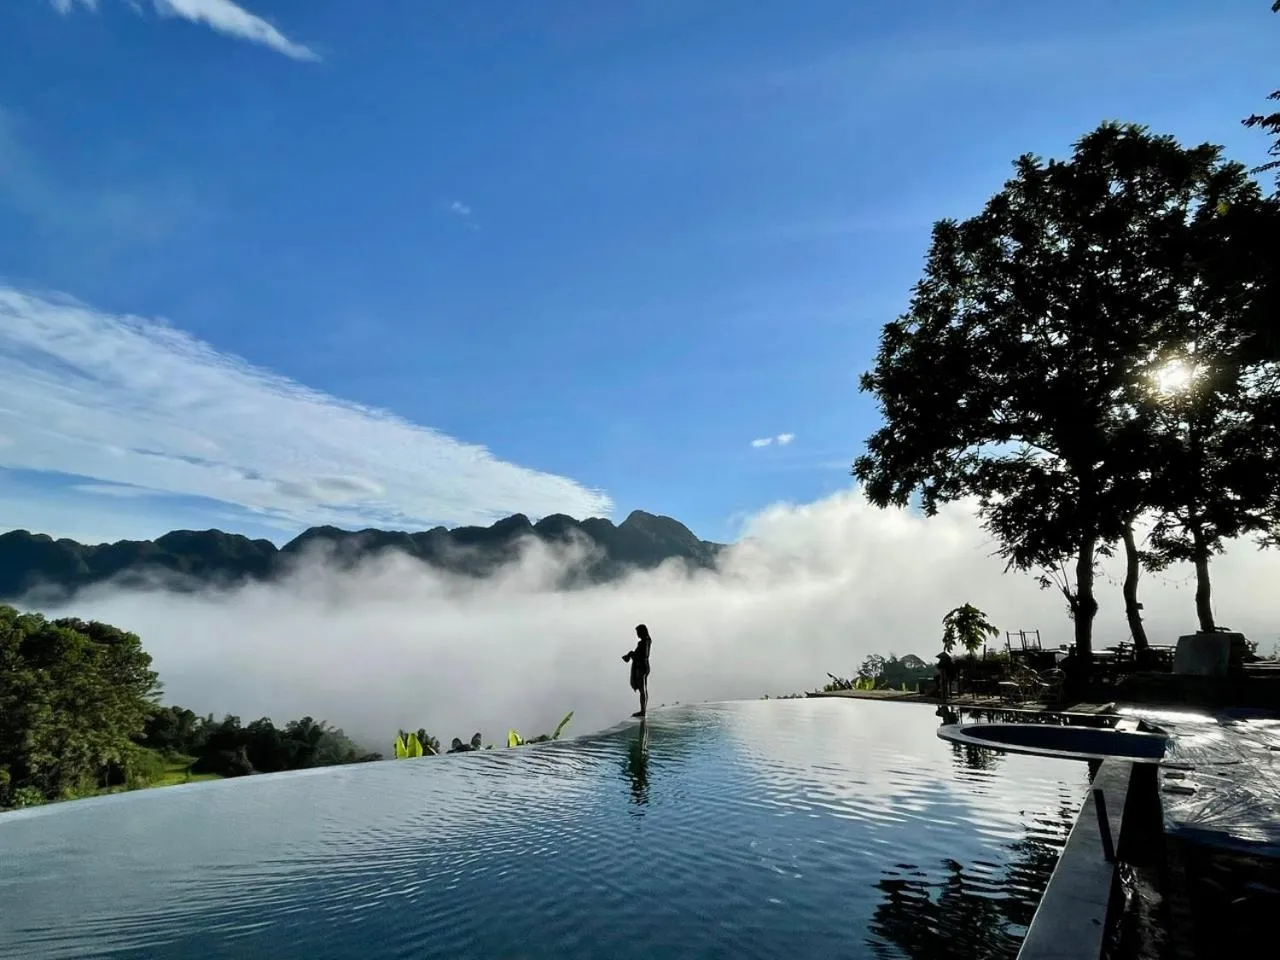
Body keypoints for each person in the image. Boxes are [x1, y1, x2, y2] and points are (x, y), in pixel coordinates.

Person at [622, 623, 652, 718]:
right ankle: (643, 710)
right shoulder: (647, 641)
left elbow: (642, 655)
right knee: (644, 689)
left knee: (642, 690)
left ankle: (643, 711)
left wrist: (631, 654)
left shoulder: (644, 642)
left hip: (641, 667)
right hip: (645, 666)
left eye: (638, 632)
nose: (637, 634)